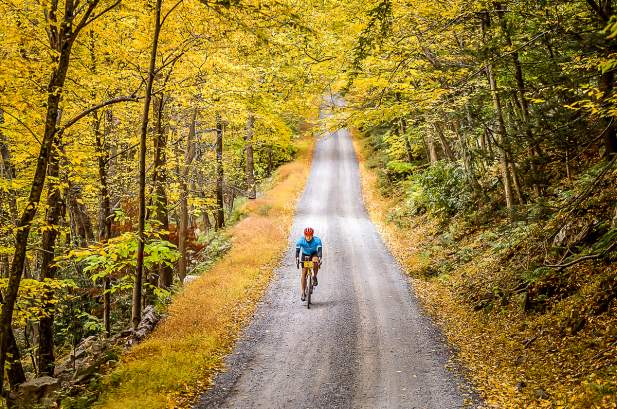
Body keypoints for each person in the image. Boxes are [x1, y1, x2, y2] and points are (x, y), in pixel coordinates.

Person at [295, 227, 322, 301]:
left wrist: (320, 258)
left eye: (310, 235)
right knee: (304, 273)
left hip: (314, 254)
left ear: (312, 235)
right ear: (304, 235)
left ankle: (314, 277)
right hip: (305, 255)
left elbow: (319, 251)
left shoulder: (317, 240)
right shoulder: (300, 241)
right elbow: (297, 251)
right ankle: (303, 293)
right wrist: (297, 259)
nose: (308, 237)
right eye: (307, 235)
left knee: (315, 261)